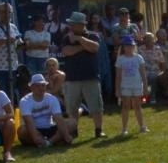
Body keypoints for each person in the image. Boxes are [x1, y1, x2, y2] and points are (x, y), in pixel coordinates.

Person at [58, 11, 105, 139]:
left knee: (96, 106)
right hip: (72, 78)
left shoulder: (93, 35)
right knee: (71, 108)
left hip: (91, 76)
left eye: (73, 24)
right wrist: (83, 47)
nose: (71, 26)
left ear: (81, 25)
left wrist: (79, 39)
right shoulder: (67, 38)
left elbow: (94, 48)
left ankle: (98, 130)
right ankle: (73, 131)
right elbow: (67, 51)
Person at [18, 74, 72, 148]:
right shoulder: (25, 101)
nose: (41, 88)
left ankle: (49, 142)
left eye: (43, 85)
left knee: (72, 123)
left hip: (50, 127)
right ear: (32, 88)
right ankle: (50, 141)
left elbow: (58, 118)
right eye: (37, 86)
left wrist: (66, 135)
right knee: (22, 131)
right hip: (34, 128)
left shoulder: (52, 98)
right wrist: (36, 137)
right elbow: (28, 122)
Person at [114, 37, 148, 136]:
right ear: (123, 47)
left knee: (138, 106)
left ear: (134, 46)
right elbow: (118, 76)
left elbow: (143, 74)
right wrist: (117, 89)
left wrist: (145, 87)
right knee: (125, 106)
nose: (129, 48)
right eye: (127, 46)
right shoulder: (120, 59)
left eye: (131, 46)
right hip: (125, 86)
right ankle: (124, 128)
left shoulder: (139, 58)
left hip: (137, 86)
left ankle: (142, 126)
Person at [22, 13, 53, 79]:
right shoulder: (28, 33)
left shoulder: (47, 34)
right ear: (34, 22)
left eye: (42, 22)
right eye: (38, 21)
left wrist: (32, 44)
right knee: (31, 78)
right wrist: (40, 45)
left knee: (44, 78)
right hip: (31, 58)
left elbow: (45, 46)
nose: (41, 23)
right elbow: (26, 46)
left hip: (43, 59)